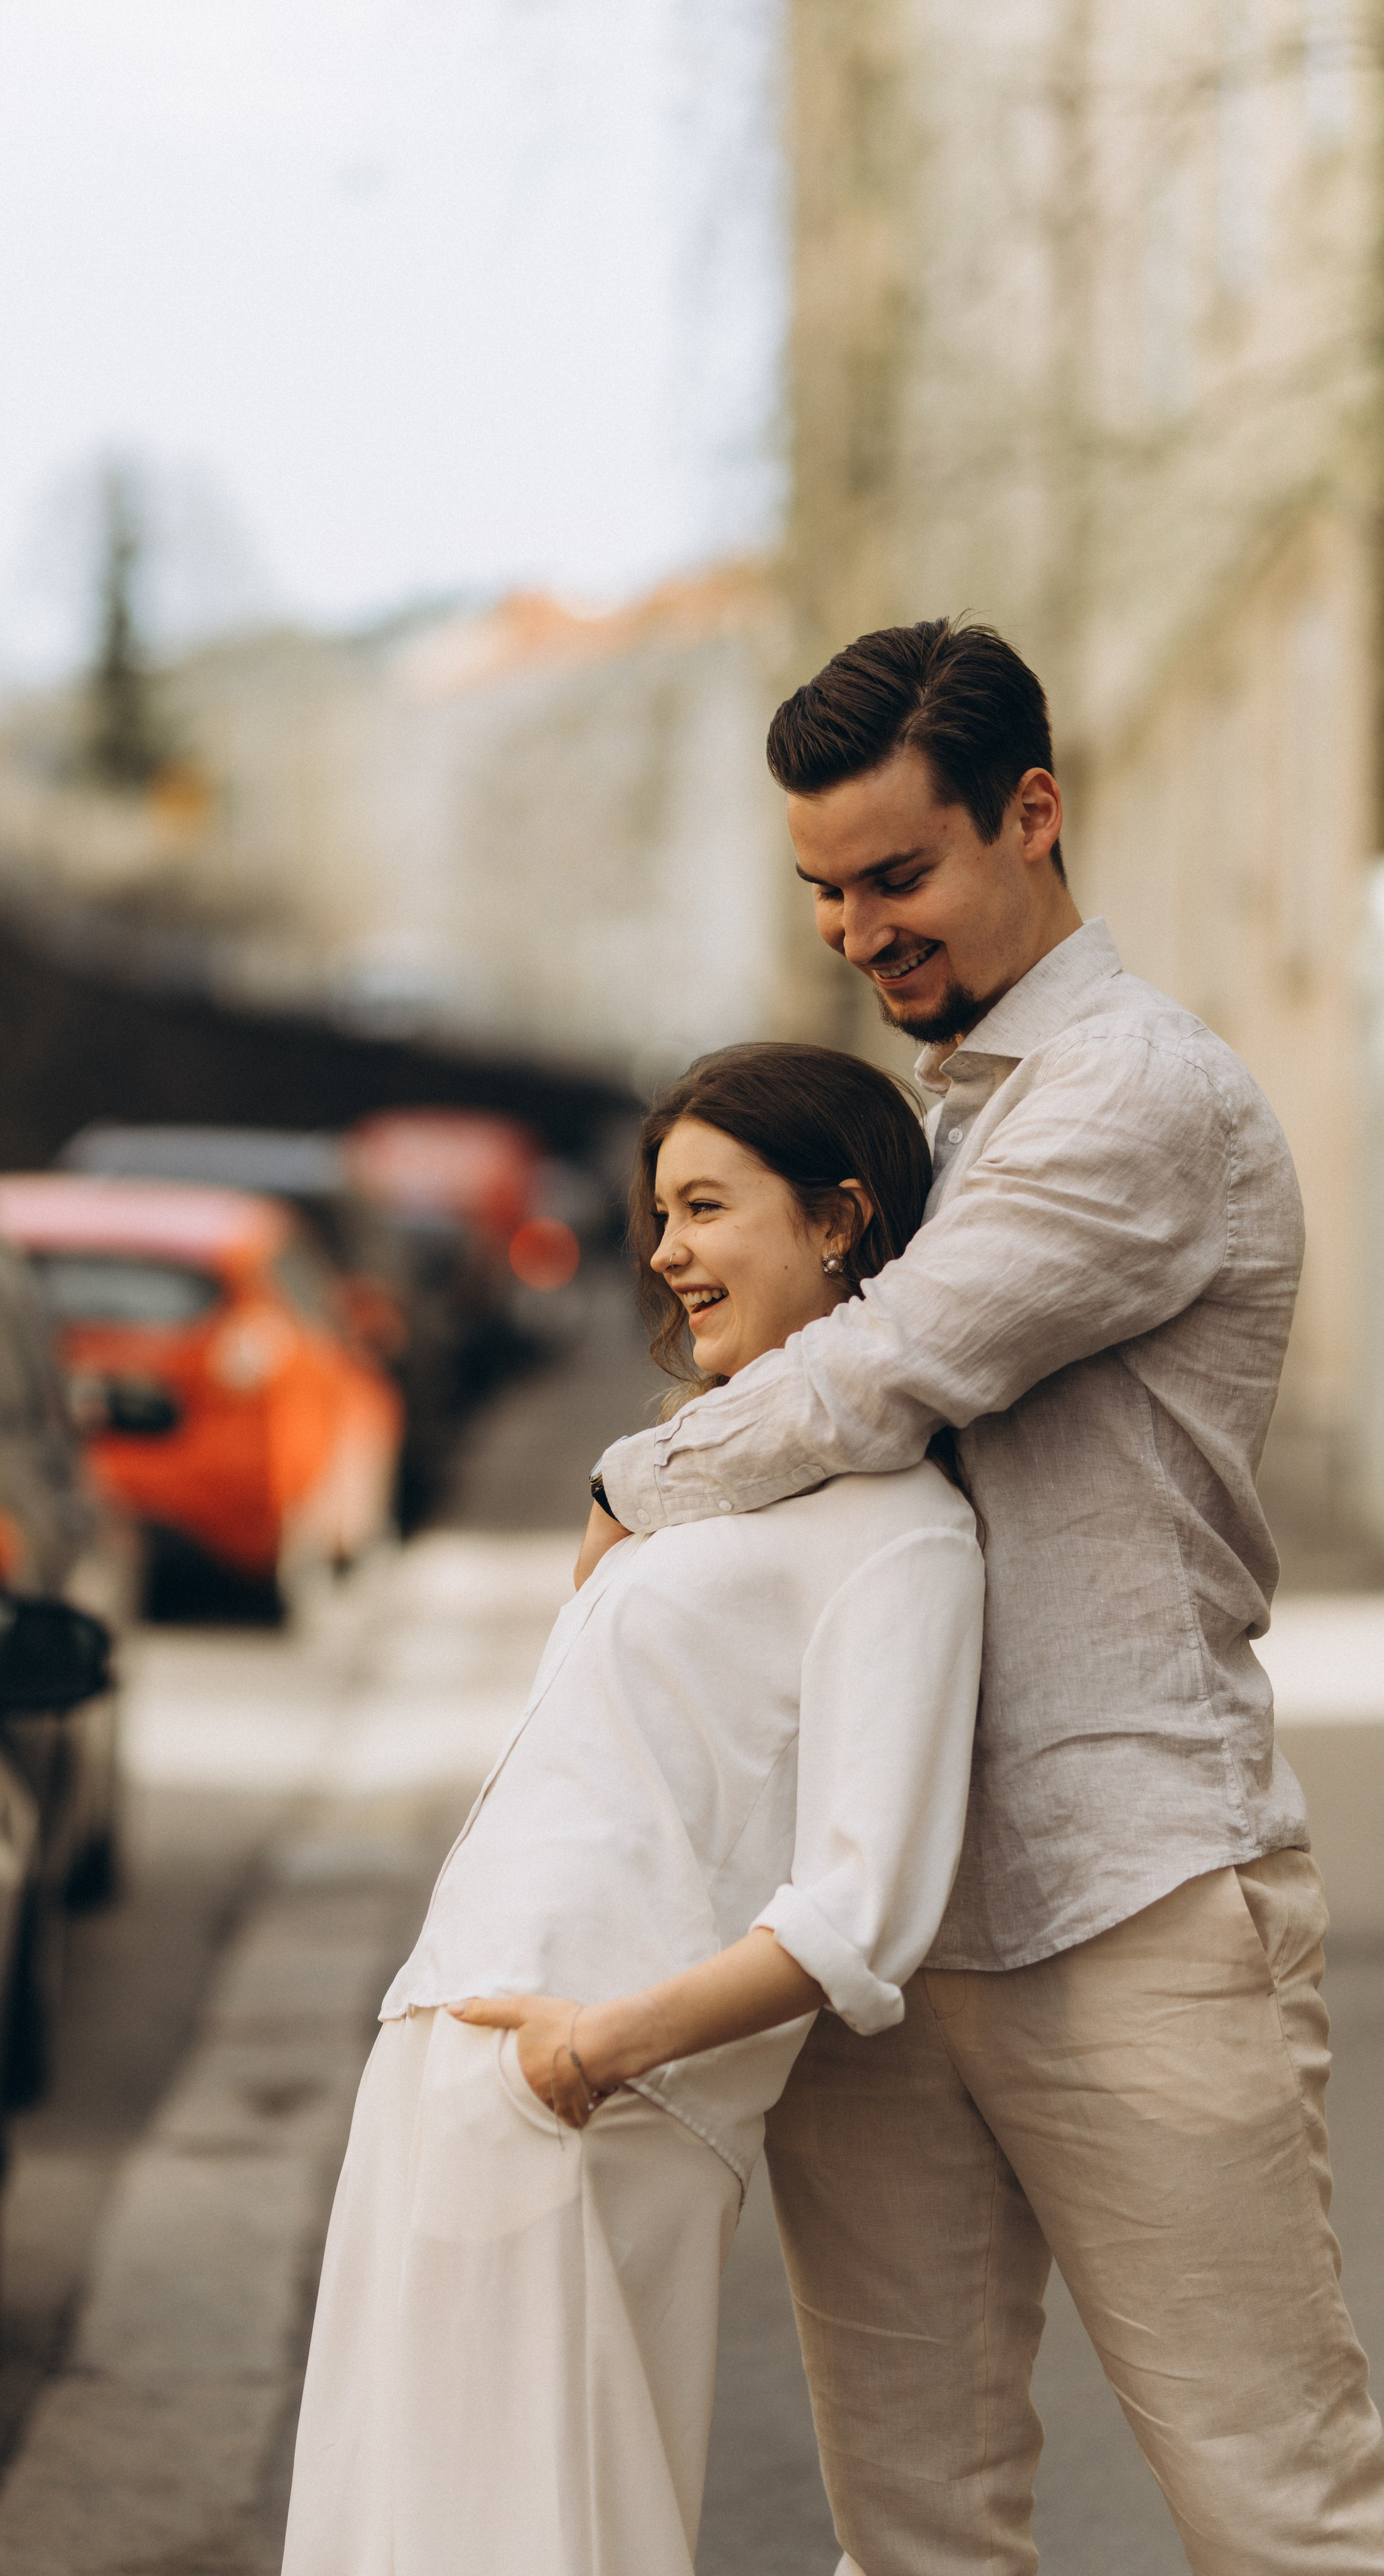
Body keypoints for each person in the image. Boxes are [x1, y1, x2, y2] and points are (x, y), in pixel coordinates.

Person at [583, 616, 1384, 2574]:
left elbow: (882, 1376)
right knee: (917, 2541)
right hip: (873, 1925)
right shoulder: (944, 1117)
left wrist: (628, 1486)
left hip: (1130, 1907)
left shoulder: (1134, 1097)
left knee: (1280, 2517)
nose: (860, 932)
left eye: (899, 877)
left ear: (1034, 814)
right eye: (826, 895)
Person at [280, 1044, 984, 2576]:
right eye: (657, 1210)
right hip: (452, 2052)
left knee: (554, 2538)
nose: (661, 1251)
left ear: (839, 1219)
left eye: (704, 1205)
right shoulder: (698, 1485)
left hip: (596, 2094)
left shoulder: (904, 1541)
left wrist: (593, 2051)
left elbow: (864, 1910)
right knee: (399, 2534)